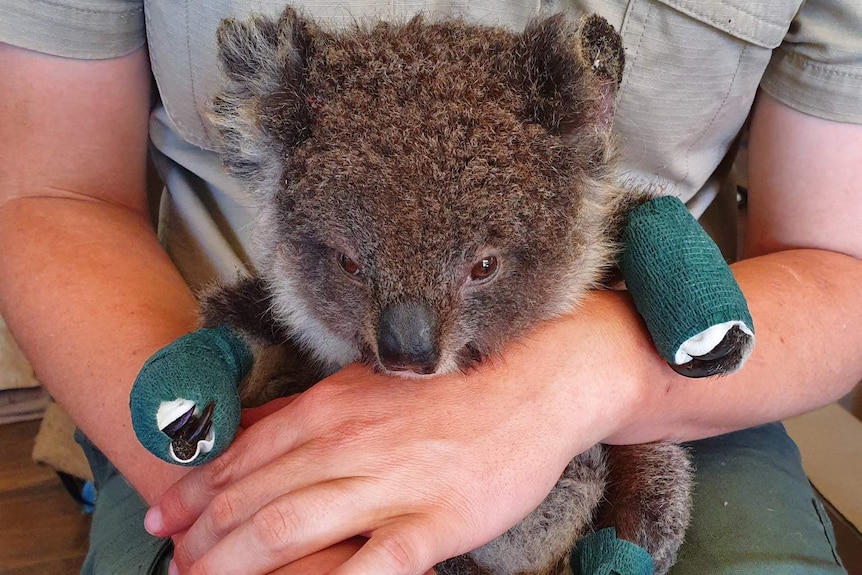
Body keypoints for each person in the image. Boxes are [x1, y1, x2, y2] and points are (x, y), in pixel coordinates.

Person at [0, 1, 860, 574]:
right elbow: (52, 195)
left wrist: (589, 382)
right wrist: (266, 507)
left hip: (668, 377)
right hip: (253, 387)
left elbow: (839, 265)